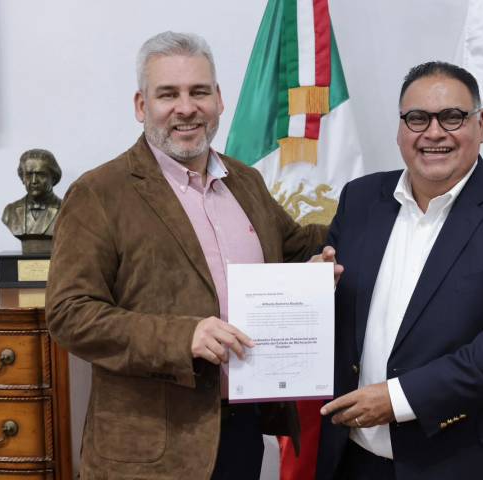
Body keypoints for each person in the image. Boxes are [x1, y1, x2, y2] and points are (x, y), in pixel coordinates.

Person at [45, 32, 326, 479]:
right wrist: (182, 337)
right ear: (142, 105)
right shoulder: (100, 193)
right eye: (168, 94)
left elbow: (296, 247)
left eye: (199, 92)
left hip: (241, 431)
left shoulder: (246, 182)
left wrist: (378, 214)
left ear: (219, 99)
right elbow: (69, 314)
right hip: (148, 452)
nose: (186, 108)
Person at [315, 61, 483, 480]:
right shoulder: (361, 199)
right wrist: (313, 287)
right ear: (400, 129)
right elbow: (339, 304)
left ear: (480, 126)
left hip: (470, 462)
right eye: (417, 118)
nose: (434, 133)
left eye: (452, 117)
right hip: (356, 459)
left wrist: (399, 399)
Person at [1, 148, 62, 236]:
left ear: (54, 177)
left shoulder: (66, 210)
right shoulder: (10, 211)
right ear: (22, 178)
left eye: (41, 174)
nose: (34, 181)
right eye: (29, 175)